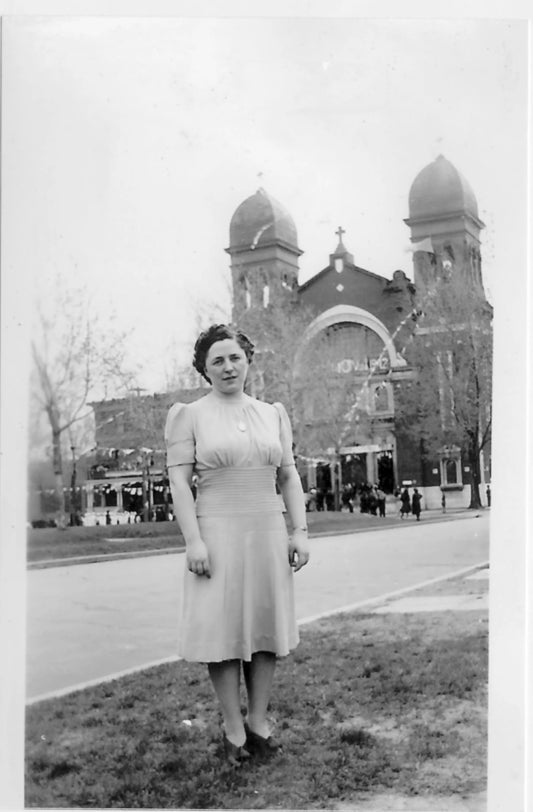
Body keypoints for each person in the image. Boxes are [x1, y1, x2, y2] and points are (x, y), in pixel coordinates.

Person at [165, 324, 310, 767]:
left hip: (266, 528)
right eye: (218, 361)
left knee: (264, 627)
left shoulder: (272, 413)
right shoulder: (189, 415)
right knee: (223, 633)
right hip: (217, 531)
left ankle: (259, 723)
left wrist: (299, 531)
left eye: (235, 358)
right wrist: (194, 541)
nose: (228, 367)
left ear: (248, 361)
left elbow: (287, 475)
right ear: (205, 369)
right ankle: (232, 729)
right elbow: (180, 482)